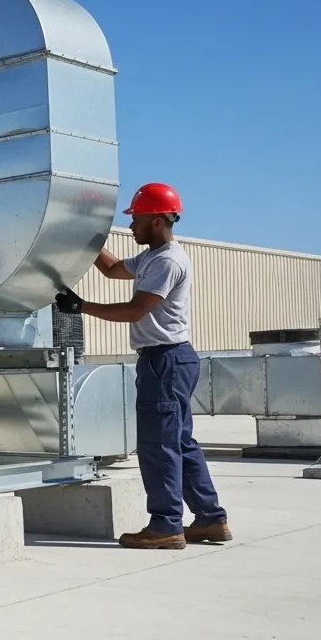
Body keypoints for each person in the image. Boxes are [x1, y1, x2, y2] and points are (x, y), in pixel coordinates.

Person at [55, 183, 230, 549]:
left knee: (158, 445)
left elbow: (137, 309)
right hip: (172, 360)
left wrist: (81, 307)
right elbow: (113, 269)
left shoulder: (166, 260)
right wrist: (87, 236)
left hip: (164, 362)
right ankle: (210, 519)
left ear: (158, 220)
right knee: (180, 443)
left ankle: (166, 525)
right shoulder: (151, 257)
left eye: (137, 220)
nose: (131, 226)